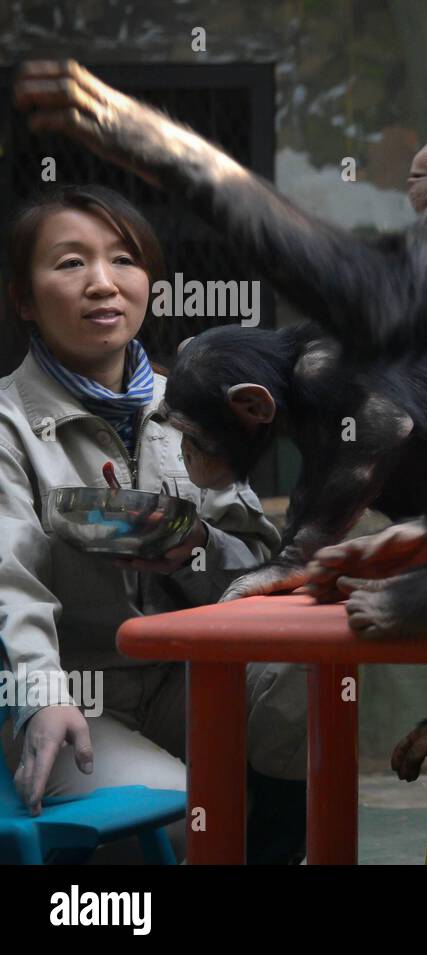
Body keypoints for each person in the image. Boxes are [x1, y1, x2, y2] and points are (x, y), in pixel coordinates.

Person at [0, 185, 307, 863]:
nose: (103, 283)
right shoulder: (8, 426)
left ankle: (282, 843)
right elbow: (9, 581)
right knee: (184, 816)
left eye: (123, 259)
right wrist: (41, 694)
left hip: (185, 676)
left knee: (307, 674)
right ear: (24, 297)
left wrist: (198, 546)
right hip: (74, 694)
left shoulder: (187, 403)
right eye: (71, 263)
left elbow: (260, 556)